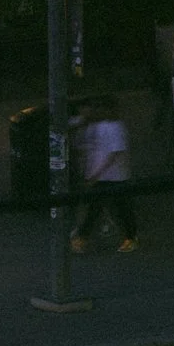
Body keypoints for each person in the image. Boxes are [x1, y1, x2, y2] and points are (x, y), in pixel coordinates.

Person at [70, 98, 137, 254]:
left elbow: (114, 154)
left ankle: (130, 237)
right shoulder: (99, 125)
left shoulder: (116, 128)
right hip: (103, 176)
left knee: (119, 208)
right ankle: (84, 236)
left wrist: (96, 173)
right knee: (99, 207)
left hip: (115, 176)